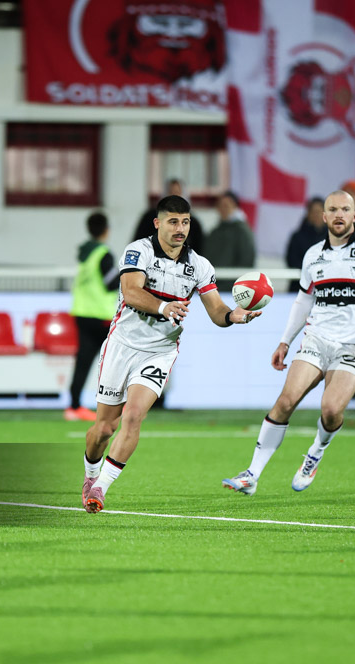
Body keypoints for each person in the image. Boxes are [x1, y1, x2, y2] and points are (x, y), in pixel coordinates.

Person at [223, 190, 355, 495]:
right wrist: (285, 341)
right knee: (286, 400)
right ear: (323, 216)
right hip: (316, 339)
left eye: (345, 209)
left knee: (330, 410)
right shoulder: (313, 254)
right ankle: (252, 475)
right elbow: (303, 300)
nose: (339, 215)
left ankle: (315, 453)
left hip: (354, 345)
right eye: (332, 210)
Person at [81, 195, 261, 513]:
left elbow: (216, 310)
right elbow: (131, 290)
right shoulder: (139, 251)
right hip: (122, 345)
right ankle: (90, 475)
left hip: (160, 351)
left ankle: (100, 489)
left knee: (134, 417)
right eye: (173, 221)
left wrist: (235, 316)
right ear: (158, 223)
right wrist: (164, 306)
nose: (180, 229)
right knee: (104, 429)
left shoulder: (200, 266)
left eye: (186, 222)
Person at [65, 211, 120, 422]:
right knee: (115, 361)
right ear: (106, 230)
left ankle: (74, 406)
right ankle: (115, 406)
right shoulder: (103, 253)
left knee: (84, 360)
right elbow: (110, 283)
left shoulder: (85, 254)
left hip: (82, 311)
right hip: (100, 315)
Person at [132, 178, 205, 254]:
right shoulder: (150, 218)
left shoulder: (193, 224)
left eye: (177, 193)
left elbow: (198, 252)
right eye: (170, 192)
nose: (174, 196)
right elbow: (138, 245)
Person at [205, 190, 255, 291]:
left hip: (232, 289)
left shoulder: (242, 231)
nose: (223, 209)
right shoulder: (214, 232)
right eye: (220, 206)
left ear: (235, 207)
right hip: (212, 288)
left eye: (227, 205)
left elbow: (247, 261)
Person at [286, 197, 325, 292]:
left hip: (325, 290)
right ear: (308, 214)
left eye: (319, 212)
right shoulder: (297, 237)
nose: (317, 215)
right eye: (314, 212)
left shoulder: (334, 238)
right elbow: (292, 261)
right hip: (299, 289)